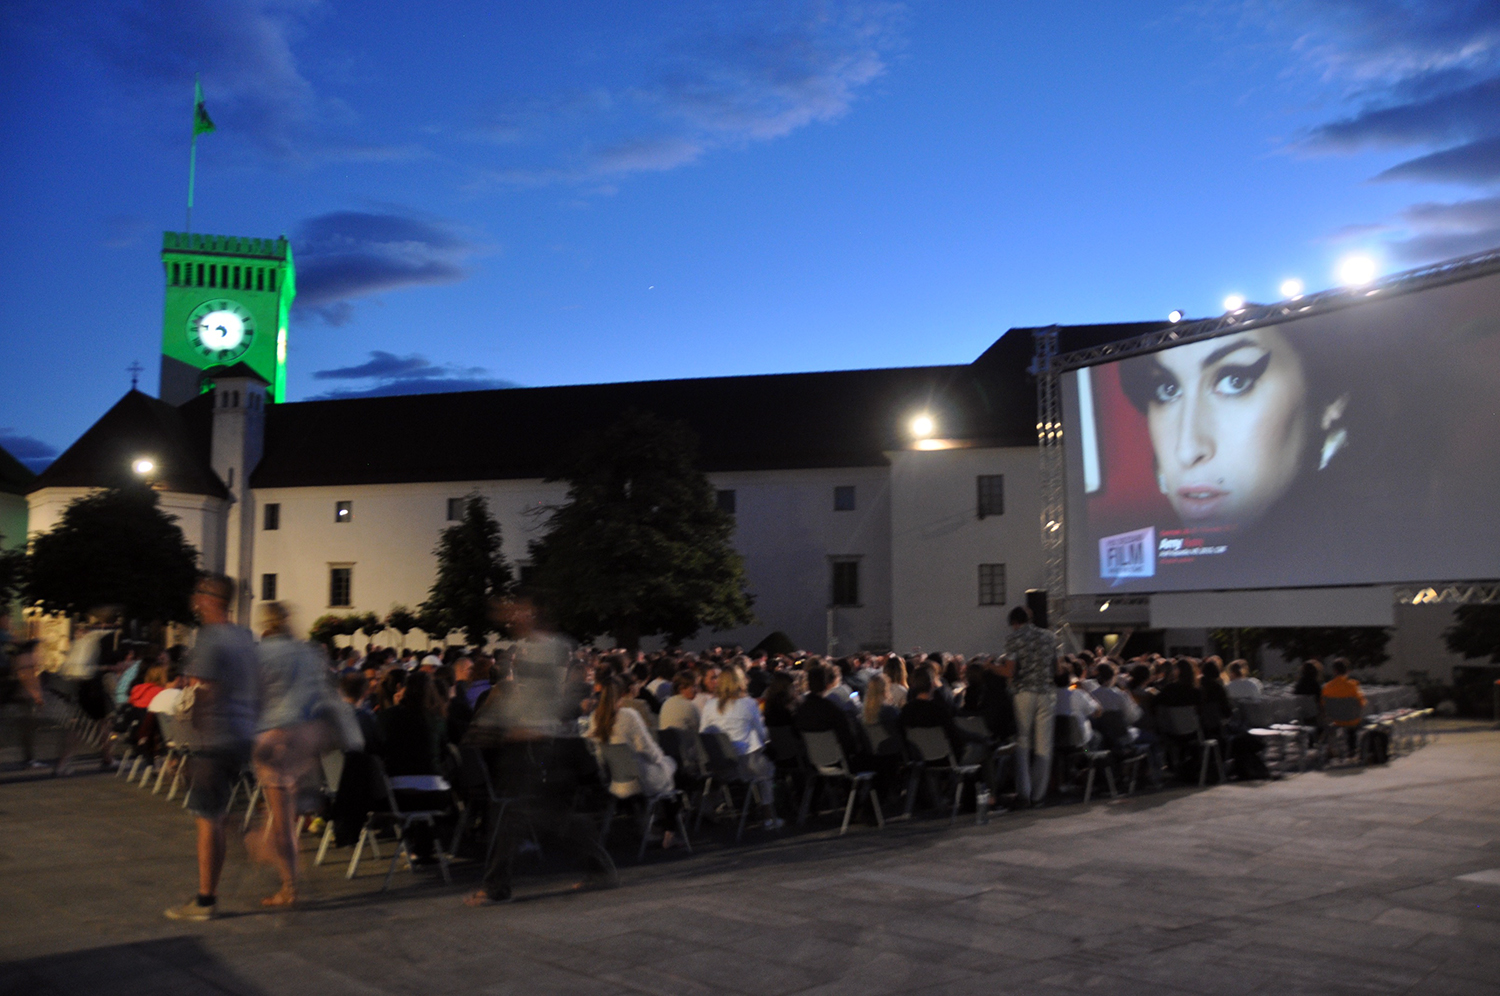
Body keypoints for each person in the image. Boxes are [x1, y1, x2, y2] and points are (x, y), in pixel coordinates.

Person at [166, 574, 260, 922]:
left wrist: (189, 744)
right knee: (219, 814)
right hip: (241, 734)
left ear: (209, 598)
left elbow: (205, 691)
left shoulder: (208, 638)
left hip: (213, 739)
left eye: (198, 592)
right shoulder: (244, 636)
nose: (194, 599)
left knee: (208, 819)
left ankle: (205, 900)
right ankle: (249, 841)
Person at [247, 602, 331, 907]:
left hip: (274, 735)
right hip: (307, 736)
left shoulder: (260, 654)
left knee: (282, 818)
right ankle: (273, 843)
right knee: (283, 811)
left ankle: (289, 886)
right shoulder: (309, 652)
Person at [589, 676, 682, 849]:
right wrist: (663, 761)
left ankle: (651, 827)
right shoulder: (629, 716)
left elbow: (599, 754)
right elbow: (647, 748)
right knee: (673, 774)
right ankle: (670, 832)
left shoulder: (595, 718)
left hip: (616, 780)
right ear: (621, 695)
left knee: (666, 772)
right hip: (639, 779)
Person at [699, 665, 782, 829]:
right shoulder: (748, 704)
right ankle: (768, 815)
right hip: (742, 764)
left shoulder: (710, 705)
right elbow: (762, 735)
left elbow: (703, 733)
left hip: (718, 763)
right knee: (766, 771)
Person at [1002, 605, 1058, 806]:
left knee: (1023, 742)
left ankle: (1023, 792)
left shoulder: (1014, 639)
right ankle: (1038, 794)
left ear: (1015, 623)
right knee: (1044, 745)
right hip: (1046, 693)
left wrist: (990, 667)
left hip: (1024, 693)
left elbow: (1009, 672)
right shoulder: (1050, 637)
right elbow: (1056, 668)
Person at [1322, 658, 1366, 753]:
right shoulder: (1353, 686)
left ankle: (1332, 749)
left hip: (1335, 720)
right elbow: (1361, 703)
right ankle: (1352, 749)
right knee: (1353, 724)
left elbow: (1323, 704)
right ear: (1348, 671)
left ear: (1334, 671)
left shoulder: (1327, 687)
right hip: (1352, 719)